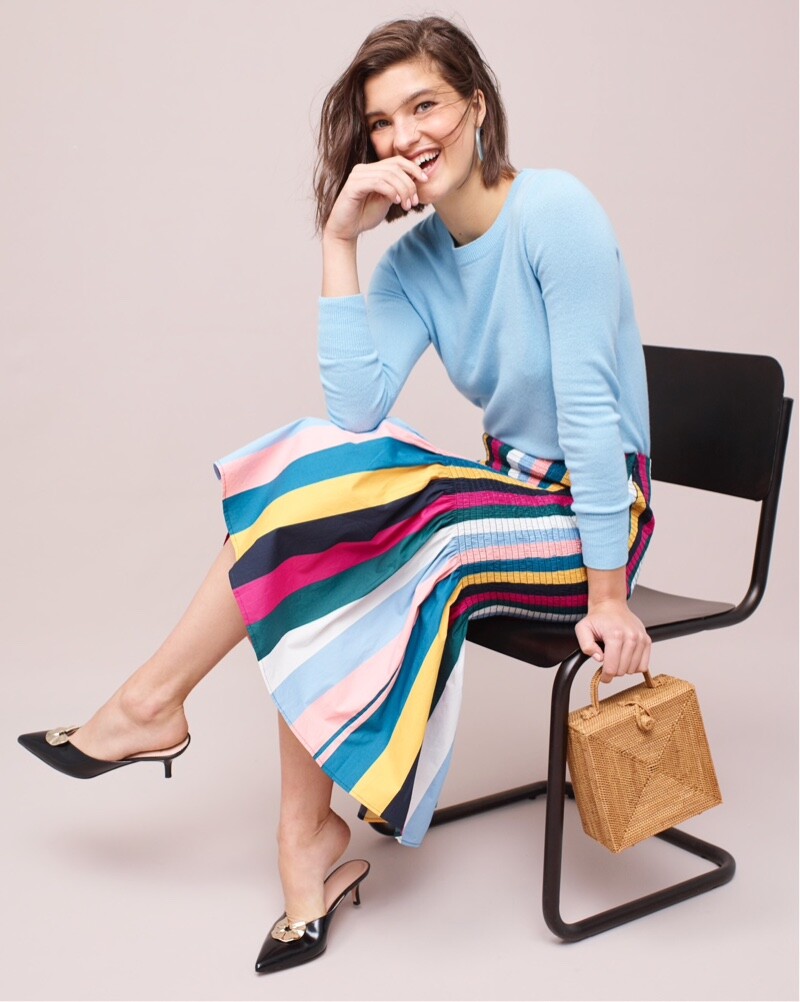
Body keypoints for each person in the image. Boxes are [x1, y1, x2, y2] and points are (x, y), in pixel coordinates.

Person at [18, 15, 655, 976]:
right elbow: (353, 415)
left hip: (593, 521)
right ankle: (300, 839)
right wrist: (338, 237)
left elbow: (595, 418)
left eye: (426, 105)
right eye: (383, 121)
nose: (406, 136)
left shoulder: (554, 212)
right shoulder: (417, 261)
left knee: (363, 527)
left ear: (477, 107)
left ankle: (159, 710)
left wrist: (608, 597)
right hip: (509, 497)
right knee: (329, 516)